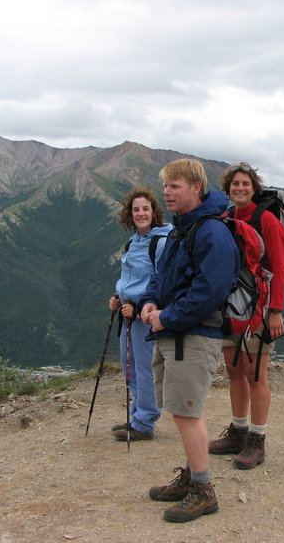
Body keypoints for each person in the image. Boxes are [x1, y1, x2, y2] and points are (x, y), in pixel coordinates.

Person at [139, 158, 240, 523]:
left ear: (196, 188)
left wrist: (167, 316)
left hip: (194, 335)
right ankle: (190, 478)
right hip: (175, 333)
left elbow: (209, 291)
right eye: (165, 185)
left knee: (187, 412)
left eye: (175, 186)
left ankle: (203, 491)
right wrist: (150, 301)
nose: (166, 192)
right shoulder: (182, 230)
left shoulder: (211, 232)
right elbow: (161, 276)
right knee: (180, 410)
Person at [208, 163, 284, 469]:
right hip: (232, 305)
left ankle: (257, 440)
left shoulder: (267, 221)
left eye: (245, 184)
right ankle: (238, 431)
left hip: (260, 307)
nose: (239, 188)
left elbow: (280, 269)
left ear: (253, 188)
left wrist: (276, 312)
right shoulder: (226, 217)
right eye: (234, 184)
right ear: (228, 188)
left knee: (256, 373)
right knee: (234, 369)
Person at [108, 188, 172, 442]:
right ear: (130, 214)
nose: (141, 213)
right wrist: (118, 296)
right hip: (128, 312)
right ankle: (137, 415)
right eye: (136, 209)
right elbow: (130, 278)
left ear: (153, 211)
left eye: (145, 208)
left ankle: (145, 422)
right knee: (130, 367)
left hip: (144, 317)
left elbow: (161, 282)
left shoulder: (161, 242)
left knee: (145, 369)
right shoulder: (134, 241)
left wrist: (140, 310)